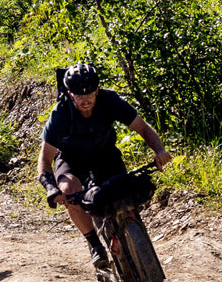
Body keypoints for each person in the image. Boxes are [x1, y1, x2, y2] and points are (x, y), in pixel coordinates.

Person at [37, 62, 171, 269]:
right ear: (70, 94)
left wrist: (159, 151)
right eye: (78, 95)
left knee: (124, 193)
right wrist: (51, 187)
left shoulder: (109, 100)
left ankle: (134, 235)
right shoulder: (61, 113)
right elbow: (45, 159)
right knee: (69, 191)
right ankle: (94, 244)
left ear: (97, 90)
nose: (85, 100)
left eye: (89, 94)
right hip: (71, 159)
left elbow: (142, 128)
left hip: (105, 154)